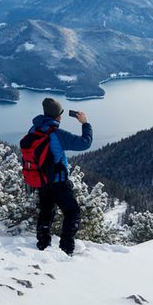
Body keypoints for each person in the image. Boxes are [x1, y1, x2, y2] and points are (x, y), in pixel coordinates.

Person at [30, 97, 93, 255]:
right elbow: (85, 143)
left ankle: (43, 244)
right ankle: (66, 248)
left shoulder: (34, 130)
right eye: (61, 113)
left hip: (42, 180)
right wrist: (85, 123)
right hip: (58, 181)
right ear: (57, 116)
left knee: (46, 210)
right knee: (72, 212)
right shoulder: (57, 134)